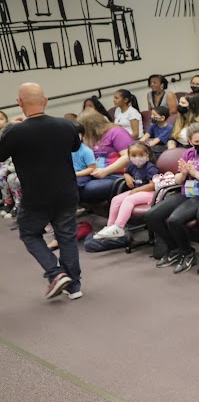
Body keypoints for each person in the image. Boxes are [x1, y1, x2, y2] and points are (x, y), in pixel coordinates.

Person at [0, 83, 83, 300]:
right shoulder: (65, 125)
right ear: (45, 100)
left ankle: (55, 274)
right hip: (66, 190)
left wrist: (7, 127)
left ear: (20, 103)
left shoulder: (15, 131)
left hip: (36, 195)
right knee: (67, 237)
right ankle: (74, 286)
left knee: (29, 233)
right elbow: (75, 147)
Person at [148, 123, 199, 274]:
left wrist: (196, 174)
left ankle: (188, 253)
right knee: (152, 215)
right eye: (196, 142)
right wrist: (184, 173)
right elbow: (178, 180)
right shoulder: (188, 153)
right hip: (186, 193)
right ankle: (174, 250)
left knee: (174, 220)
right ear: (190, 141)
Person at [94, 142, 160, 239]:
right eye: (133, 155)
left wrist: (137, 190)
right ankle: (110, 226)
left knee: (128, 200)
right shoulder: (131, 166)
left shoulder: (151, 168)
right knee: (116, 199)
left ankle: (119, 227)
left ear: (147, 155)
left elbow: (153, 185)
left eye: (140, 155)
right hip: (137, 191)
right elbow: (126, 173)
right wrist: (127, 176)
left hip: (150, 193)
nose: (137, 158)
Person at [78, 108, 134, 202]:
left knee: (90, 189)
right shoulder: (92, 137)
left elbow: (128, 156)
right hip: (95, 173)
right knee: (72, 183)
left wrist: (105, 171)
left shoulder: (116, 132)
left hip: (116, 175)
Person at [71, 121, 96, 188]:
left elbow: (91, 168)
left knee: (75, 184)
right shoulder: (65, 149)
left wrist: (75, 174)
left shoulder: (86, 151)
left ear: (82, 136)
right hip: (70, 175)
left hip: (83, 176)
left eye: (77, 134)